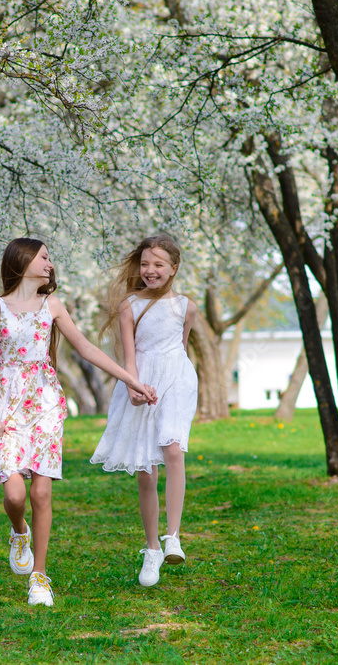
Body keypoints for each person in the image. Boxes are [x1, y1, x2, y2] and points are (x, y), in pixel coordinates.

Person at [0, 237, 156, 606]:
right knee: (14, 495)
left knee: (41, 492)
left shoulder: (52, 305)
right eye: (44, 257)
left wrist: (131, 380)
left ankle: (40, 578)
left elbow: (87, 348)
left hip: (45, 403)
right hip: (5, 403)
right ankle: (18, 531)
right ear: (23, 260)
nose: (50, 264)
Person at [90, 234, 198, 587]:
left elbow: (179, 349)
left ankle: (173, 537)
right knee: (146, 471)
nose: (150, 270)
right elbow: (130, 355)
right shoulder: (129, 305)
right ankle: (152, 548)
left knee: (172, 448)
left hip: (177, 379)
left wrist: (174, 379)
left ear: (173, 269)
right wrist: (133, 387)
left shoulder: (187, 307)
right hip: (142, 381)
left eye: (159, 265)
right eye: (146, 264)